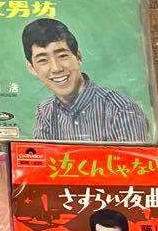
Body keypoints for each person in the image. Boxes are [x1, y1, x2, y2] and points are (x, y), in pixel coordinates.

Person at [22, 18, 151, 142]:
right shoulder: (45, 111)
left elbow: (133, 158)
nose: (56, 68)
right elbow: (44, 156)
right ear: (32, 68)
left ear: (78, 57)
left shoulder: (122, 110)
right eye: (43, 60)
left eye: (62, 56)